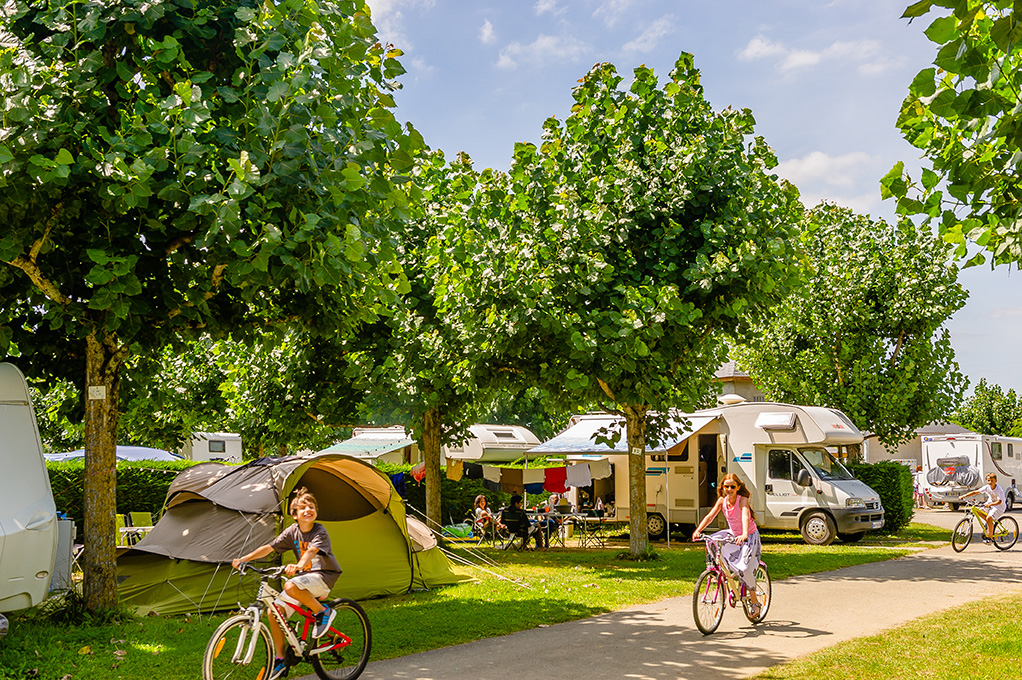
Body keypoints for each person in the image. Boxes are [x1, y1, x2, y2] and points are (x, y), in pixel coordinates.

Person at [233, 487, 342, 680]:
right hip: (304, 580)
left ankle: (323, 612)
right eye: (303, 508)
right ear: (294, 515)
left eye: (312, 507)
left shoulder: (320, 531)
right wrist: (244, 559)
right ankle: (281, 659)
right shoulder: (292, 531)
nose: (308, 510)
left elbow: (311, 552)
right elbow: (270, 547)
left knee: (290, 585)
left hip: (324, 577)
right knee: (273, 611)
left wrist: (299, 565)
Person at [692, 472, 762, 617]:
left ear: (737, 488)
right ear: (722, 487)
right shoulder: (721, 501)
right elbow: (710, 516)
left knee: (744, 569)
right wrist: (698, 530)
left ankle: (755, 602)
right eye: (726, 486)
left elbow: (744, 516)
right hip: (733, 533)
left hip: (748, 535)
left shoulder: (742, 500)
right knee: (711, 540)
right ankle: (722, 573)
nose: (729, 489)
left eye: (732, 487)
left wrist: (743, 534)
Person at [961, 473, 1006, 543]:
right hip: (989, 504)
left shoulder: (999, 489)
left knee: (988, 518)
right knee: (979, 511)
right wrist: (964, 496)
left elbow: (999, 501)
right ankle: (990, 524)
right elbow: (976, 492)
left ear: (995, 481)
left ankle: (990, 538)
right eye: (988, 480)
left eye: (992, 481)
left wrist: (990, 504)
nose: (990, 482)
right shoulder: (987, 487)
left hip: (999, 507)